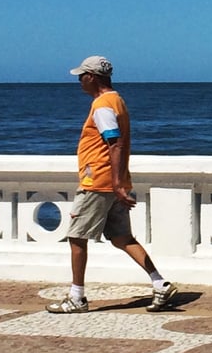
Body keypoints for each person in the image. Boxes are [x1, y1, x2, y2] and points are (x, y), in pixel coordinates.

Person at [47, 55, 178, 313]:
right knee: (122, 237)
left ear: (91, 77)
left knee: (76, 237)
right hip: (112, 182)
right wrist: (120, 183)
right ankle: (159, 283)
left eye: (81, 76)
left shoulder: (103, 105)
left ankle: (77, 297)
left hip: (98, 183)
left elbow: (114, 143)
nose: (79, 82)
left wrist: (116, 184)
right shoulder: (117, 100)